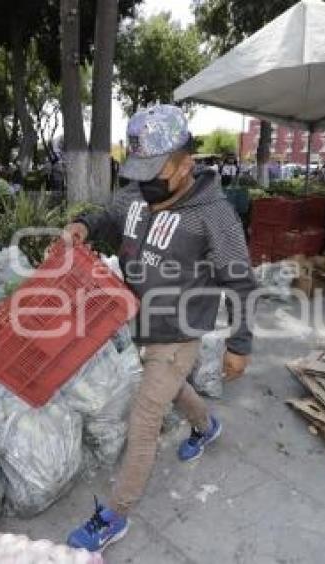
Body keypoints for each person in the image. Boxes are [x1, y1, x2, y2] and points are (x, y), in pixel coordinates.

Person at [63, 105, 256, 552]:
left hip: (181, 328)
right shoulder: (134, 194)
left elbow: (240, 281)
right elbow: (108, 217)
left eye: (156, 171)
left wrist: (239, 342)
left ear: (186, 164)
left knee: (146, 413)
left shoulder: (214, 215)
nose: (144, 181)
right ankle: (206, 426)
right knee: (168, 386)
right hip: (140, 319)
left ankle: (116, 515)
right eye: (139, 170)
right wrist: (83, 225)